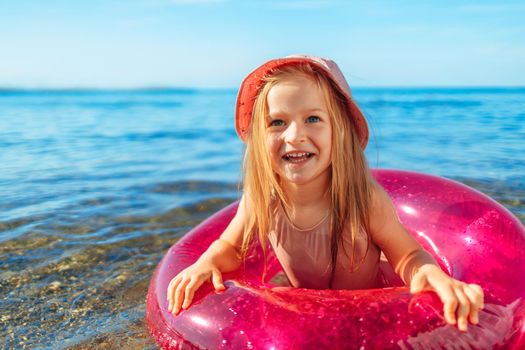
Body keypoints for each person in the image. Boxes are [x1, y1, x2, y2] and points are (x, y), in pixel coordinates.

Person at [166, 55, 484, 332]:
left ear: (339, 130)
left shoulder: (363, 199)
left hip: (369, 307)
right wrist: (206, 263)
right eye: (277, 122)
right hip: (305, 303)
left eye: (313, 119)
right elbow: (231, 247)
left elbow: (409, 255)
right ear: (260, 139)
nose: (294, 136)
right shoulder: (264, 197)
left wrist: (430, 274)